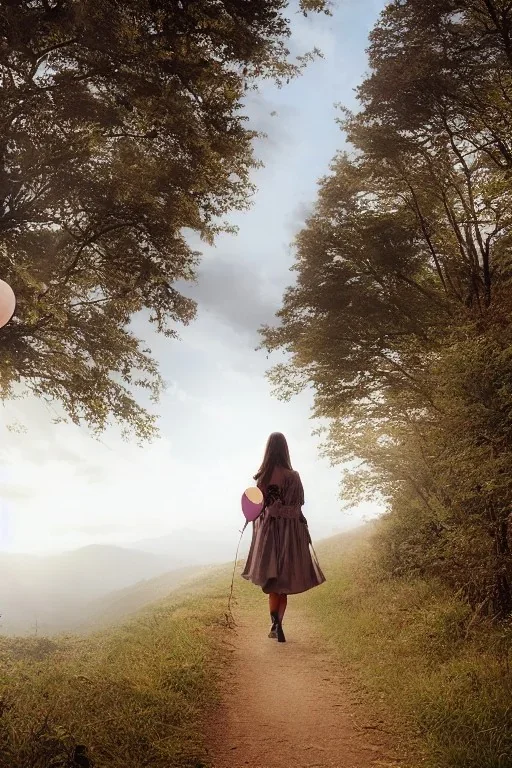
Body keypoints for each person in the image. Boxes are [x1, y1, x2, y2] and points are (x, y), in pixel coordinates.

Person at [241, 432, 326, 643]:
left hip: (270, 535)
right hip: (290, 533)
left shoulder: (263, 477)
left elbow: (257, 509)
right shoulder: (294, 476)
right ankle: (278, 624)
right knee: (284, 581)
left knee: (272, 582)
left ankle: (275, 624)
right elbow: (298, 506)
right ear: (286, 450)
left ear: (268, 450)